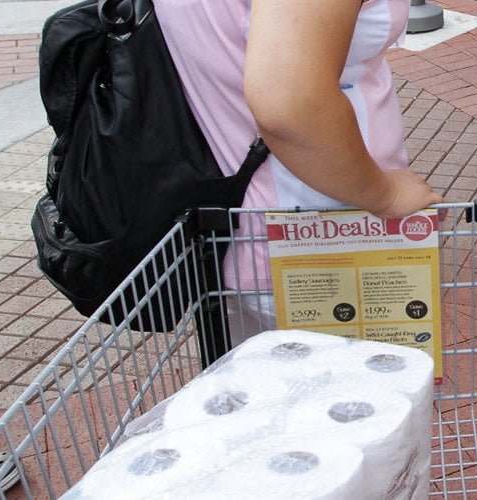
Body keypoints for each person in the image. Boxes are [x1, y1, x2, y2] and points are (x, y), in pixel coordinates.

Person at [152, 0, 444, 342]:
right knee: (365, 386)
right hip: (324, 234)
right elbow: (290, 104)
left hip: (248, 218)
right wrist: (386, 195)